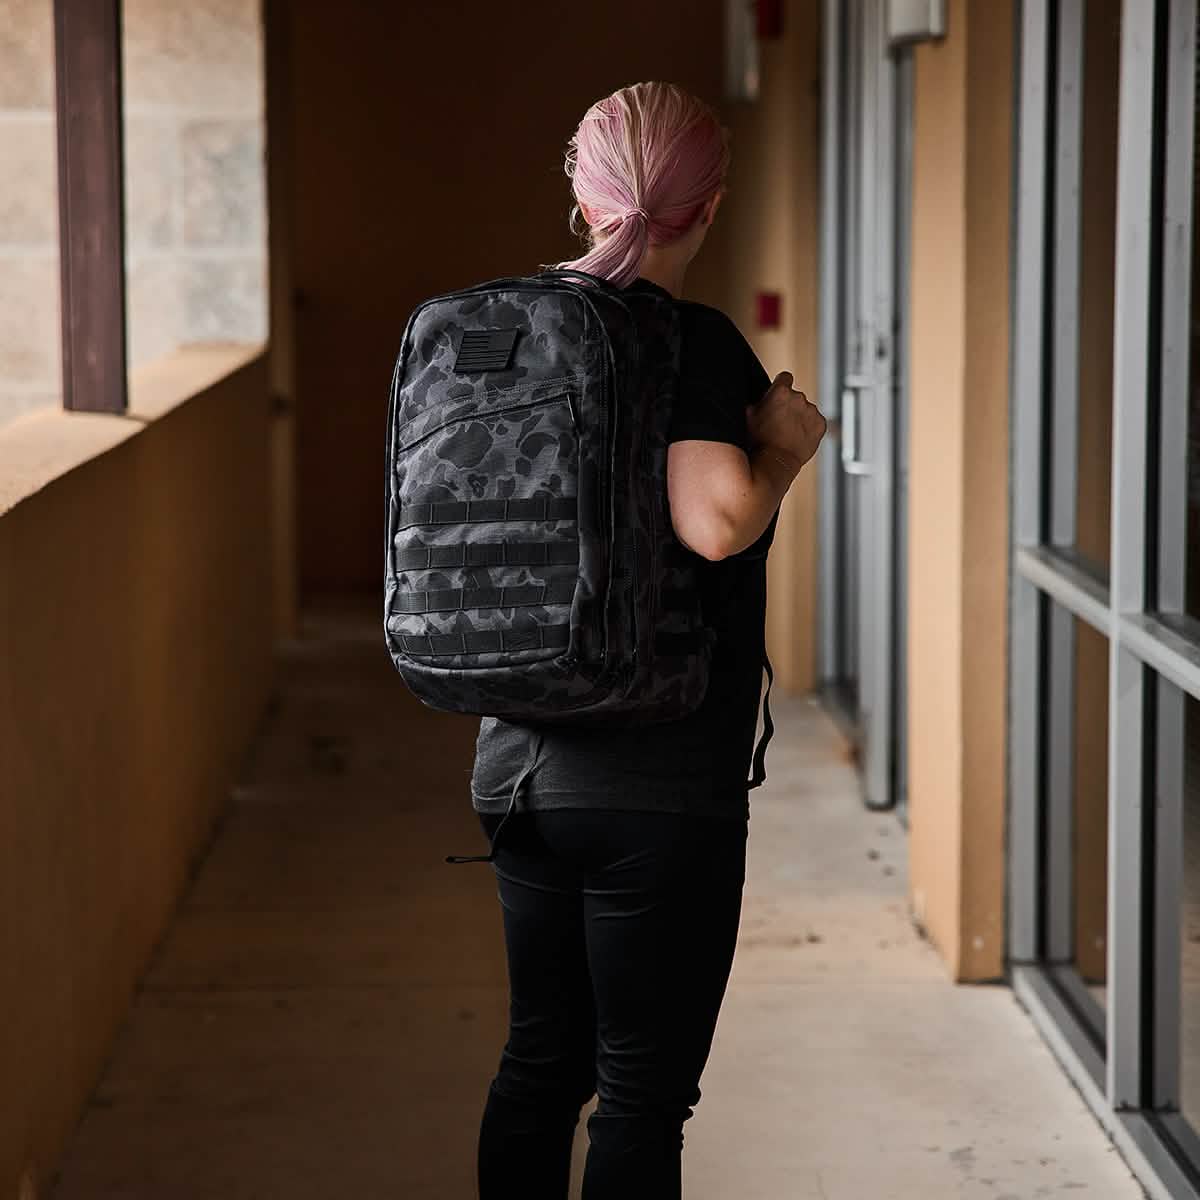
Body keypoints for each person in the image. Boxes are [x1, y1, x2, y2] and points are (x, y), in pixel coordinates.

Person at [469, 81, 826, 1199]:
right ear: (711, 206)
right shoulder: (688, 344)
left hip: (518, 763)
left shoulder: (498, 331)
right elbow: (715, 520)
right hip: (659, 786)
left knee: (538, 1063)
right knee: (639, 1093)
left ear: (581, 193)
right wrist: (783, 452)